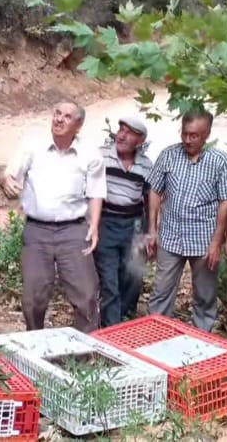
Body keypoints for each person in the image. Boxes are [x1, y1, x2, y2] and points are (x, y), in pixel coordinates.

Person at [0, 101, 107, 333]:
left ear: (78, 125)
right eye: (57, 113)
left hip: (74, 230)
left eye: (67, 117)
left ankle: (85, 350)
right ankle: (37, 344)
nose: (59, 119)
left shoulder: (90, 153)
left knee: (86, 293)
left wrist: (95, 226)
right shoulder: (33, 145)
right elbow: (9, 174)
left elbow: (96, 192)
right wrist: (5, 180)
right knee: (33, 297)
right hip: (37, 231)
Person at [145, 109, 227, 332]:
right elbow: (155, 192)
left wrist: (217, 241)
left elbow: (226, 201)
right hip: (171, 236)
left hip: (204, 240)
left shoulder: (220, 161)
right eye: (185, 134)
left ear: (207, 134)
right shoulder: (168, 155)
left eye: (194, 135)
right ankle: (157, 335)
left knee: (205, 295)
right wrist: (152, 229)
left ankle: (200, 341)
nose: (188, 140)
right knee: (161, 291)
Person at [95, 115, 153, 327]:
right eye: (120, 130)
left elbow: (150, 199)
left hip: (134, 226)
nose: (121, 135)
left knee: (133, 277)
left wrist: (149, 232)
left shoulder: (146, 165)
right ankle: (111, 329)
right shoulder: (101, 157)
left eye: (128, 133)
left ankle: (124, 321)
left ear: (139, 141)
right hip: (106, 224)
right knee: (109, 280)